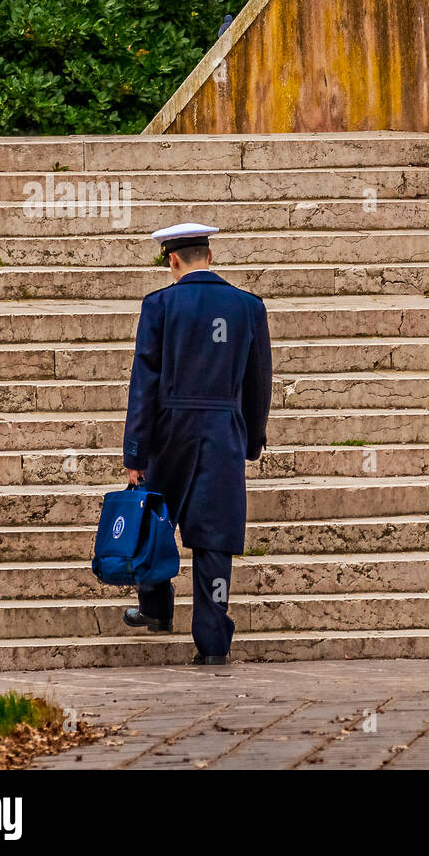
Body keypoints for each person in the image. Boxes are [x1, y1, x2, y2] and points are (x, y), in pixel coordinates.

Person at [120, 222, 273, 665]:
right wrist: (251, 439)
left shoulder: (160, 305)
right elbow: (258, 382)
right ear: (210, 256)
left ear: (173, 260)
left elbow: (143, 384)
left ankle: (155, 607)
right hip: (223, 431)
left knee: (153, 522)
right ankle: (211, 643)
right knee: (215, 538)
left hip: (169, 433)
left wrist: (136, 452)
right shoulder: (248, 308)